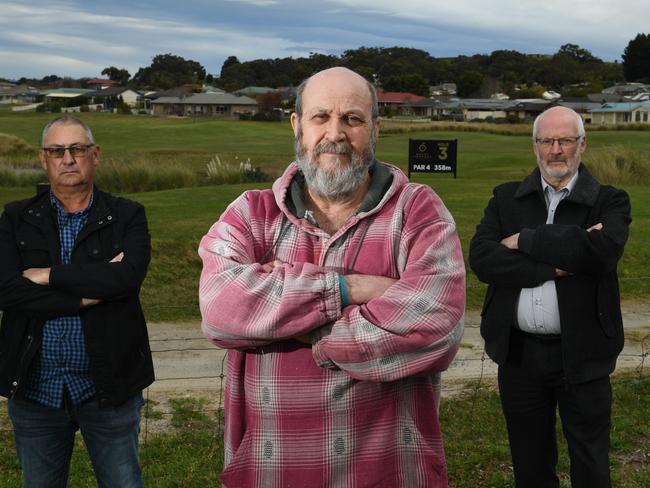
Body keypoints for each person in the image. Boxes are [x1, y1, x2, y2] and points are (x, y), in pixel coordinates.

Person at [198, 67, 465, 487]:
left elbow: (435, 329)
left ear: (375, 128)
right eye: (321, 117)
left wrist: (284, 315)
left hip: (390, 471)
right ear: (297, 126)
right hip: (271, 471)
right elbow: (221, 311)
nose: (335, 133)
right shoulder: (252, 212)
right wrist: (349, 288)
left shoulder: (418, 211)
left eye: (352, 119)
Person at [469, 106, 631, 488]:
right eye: (546, 141)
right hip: (520, 356)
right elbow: (483, 259)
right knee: (530, 465)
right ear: (535, 147)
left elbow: (603, 252)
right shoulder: (507, 199)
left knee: (591, 464)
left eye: (565, 141)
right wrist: (559, 263)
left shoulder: (610, 201)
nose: (555, 150)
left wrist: (526, 240)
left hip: (584, 355)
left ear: (582, 145)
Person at [0, 116, 154, 488]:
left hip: (109, 390)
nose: (67, 158)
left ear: (95, 155)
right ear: (43, 159)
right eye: (57, 151)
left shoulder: (127, 214)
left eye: (77, 149)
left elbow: (127, 278)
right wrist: (85, 297)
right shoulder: (16, 218)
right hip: (37, 390)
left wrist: (49, 275)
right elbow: (7, 291)